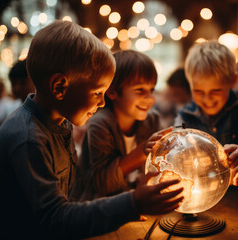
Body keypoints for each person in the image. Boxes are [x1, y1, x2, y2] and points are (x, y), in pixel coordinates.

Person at [0, 20, 184, 239]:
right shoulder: (29, 139)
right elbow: (53, 218)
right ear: (59, 88)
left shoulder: (61, 123)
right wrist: (132, 203)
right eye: (98, 93)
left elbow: (65, 200)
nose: (103, 103)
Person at [71, 49, 171, 201]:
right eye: (140, 90)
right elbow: (102, 184)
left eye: (151, 90)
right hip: (96, 205)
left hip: (136, 200)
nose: (149, 98)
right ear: (112, 92)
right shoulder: (100, 124)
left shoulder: (152, 120)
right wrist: (142, 152)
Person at [175, 40, 238, 186]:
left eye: (215, 91)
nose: (207, 99)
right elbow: (175, 148)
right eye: (198, 91)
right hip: (203, 193)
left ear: (232, 81)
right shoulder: (184, 116)